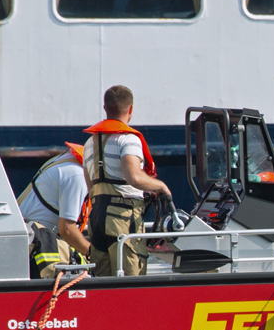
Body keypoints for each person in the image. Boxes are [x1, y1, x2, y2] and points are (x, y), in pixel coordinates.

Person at [82, 84, 172, 276]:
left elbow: (90, 186)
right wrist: (160, 186)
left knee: (102, 282)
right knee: (131, 280)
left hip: (97, 219)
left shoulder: (89, 144)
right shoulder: (128, 139)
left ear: (105, 108)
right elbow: (134, 177)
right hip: (123, 219)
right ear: (130, 109)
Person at [17, 141, 92, 280]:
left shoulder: (65, 160)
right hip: (37, 249)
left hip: (27, 239)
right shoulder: (77, 175)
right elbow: (67, 230)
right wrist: (94, 255)